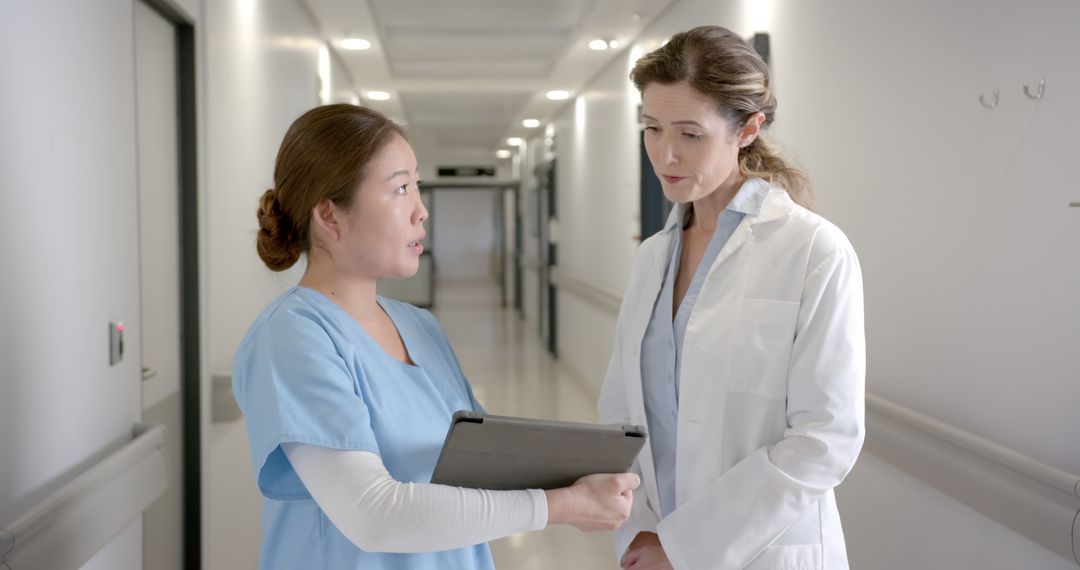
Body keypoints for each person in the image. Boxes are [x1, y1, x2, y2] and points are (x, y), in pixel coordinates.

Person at [233, 103, 639, 570]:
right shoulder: (293, 338)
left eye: (417, 187)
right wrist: (561, 506)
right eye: (400, 189)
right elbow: (375, 516)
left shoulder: (418, 326)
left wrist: (581, 476)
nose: (421, 211)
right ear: (330, 214)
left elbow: (481, 463)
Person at [598, 26, 866, 570]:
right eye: (652, 129)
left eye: (691, 134)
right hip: (651, 546)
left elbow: (825, 438)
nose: (665, 155)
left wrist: (686, 546)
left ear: (748, 129)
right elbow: (621, 410)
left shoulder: (813, 249)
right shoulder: (653, 257)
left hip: (762, 552)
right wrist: (641, 533)